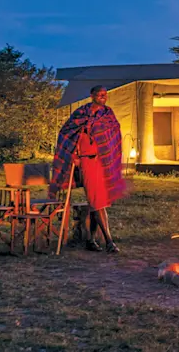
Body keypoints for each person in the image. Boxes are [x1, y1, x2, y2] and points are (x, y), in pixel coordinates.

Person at [49, 85, 127, 252]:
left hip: (102, 162)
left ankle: (90, 241)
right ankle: (109, 242)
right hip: (86, 162)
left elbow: (113, 134)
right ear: (91, 95)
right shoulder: (81, 113)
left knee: (97, 202)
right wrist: (73, 155)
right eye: (99, 94)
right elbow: (67, 133)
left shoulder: (108, 114)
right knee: (97, 201)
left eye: (104, 94)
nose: (102, 97)